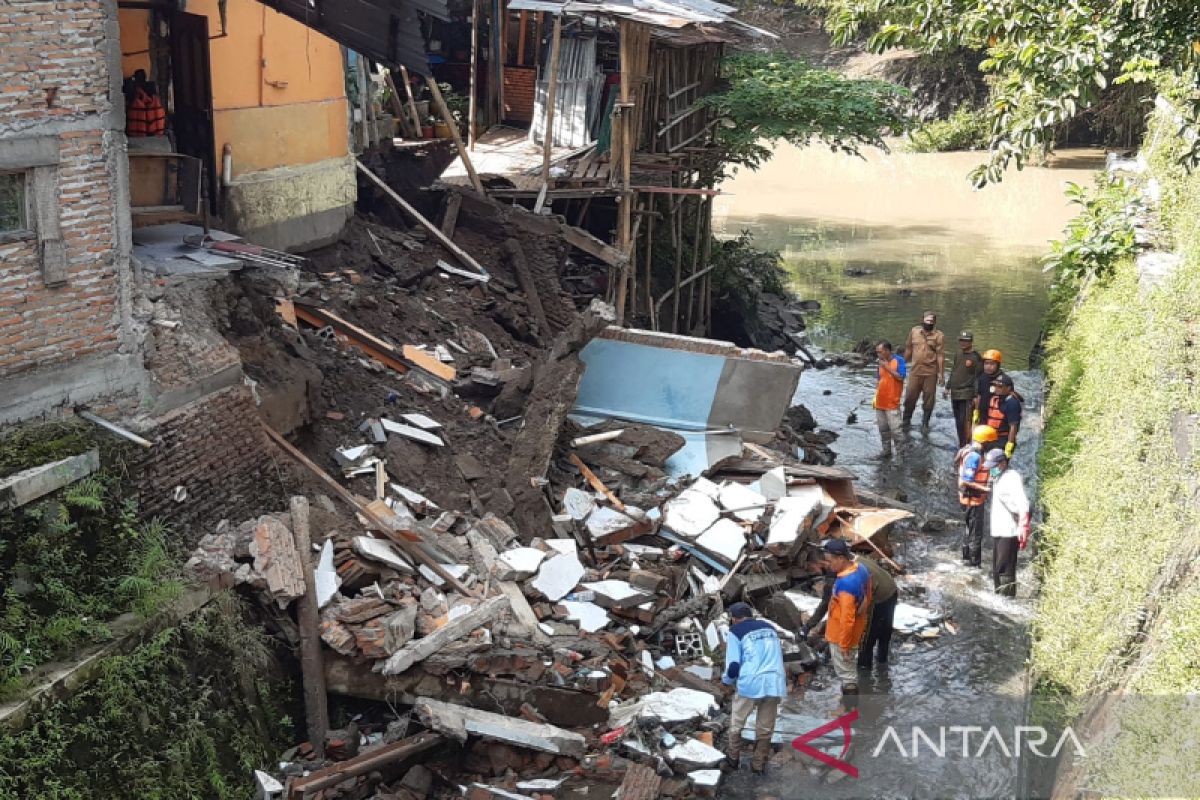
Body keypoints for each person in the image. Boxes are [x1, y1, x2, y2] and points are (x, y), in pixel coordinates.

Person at [723, 601, 787, 772]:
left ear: (734, 619)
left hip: (751, 683)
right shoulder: (770, 628)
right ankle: (758, 765)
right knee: (765, 728)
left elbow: (734, 666)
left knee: (737, 722)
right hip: (775, 682)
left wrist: (726, 681)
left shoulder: (735, 632)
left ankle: (733, 758)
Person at [822, 540, 872, 694]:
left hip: (841, 637)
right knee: (849, 672)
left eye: (830, 561)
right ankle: (850, 709)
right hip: (856, 630)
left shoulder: (846, 586)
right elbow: (869, 593)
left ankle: (849, 710)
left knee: (847, 676)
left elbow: (846, 620)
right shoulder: (860, 568)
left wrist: (844, 646)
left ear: (841, 559)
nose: (828, 565)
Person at [986, 449, 1031, 596]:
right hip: (999, 529)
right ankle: (998, 597)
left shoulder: (1012, 478)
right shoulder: (998, 477)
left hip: (1009, 531)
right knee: (997, 568)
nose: (991, 469)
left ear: (1003, 463)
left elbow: (1023, 503)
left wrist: (1024, 526)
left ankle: (1007, 600)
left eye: (994, 465)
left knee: (1005, 569)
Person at [957, 425, 996, 567]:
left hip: (968, 498)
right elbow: (967, 480)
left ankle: (966, 558)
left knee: (968, 529)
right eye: (991, 443)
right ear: (985, 442)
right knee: (975, 533)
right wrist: (986, 489)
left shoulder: (971, 451)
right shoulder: (974, 457)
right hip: (972, 500)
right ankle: (974, 564)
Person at [902, 311, 945, 429]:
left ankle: (925, 423)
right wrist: (901, 364)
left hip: (930, 372)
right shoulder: (914, 331)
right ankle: (906, 420)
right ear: (922, 320)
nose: (929, 323)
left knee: (929, 399)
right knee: (910, 396)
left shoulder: (939, 335)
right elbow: (909, 349)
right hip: (915, 371)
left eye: (931, 321)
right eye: (927, 320)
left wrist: (941, 374)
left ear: (935, 322)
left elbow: (940, 355)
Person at [856, 554, 898, 668]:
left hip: (880, 596)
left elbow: (867, 600)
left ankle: (864, 669)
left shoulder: (855, 571)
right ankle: (882, 662)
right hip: (891, 589)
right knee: (885, 630)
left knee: (867, 638)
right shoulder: (858, 558)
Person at [944, 331, 983, 447]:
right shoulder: (958, 353)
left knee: (966, 421)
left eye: (965, 341)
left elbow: (978, 377)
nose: (963, 343)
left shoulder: (976, 357)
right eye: (961, 340)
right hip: (955, 393)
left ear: (971, 342)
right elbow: (954, 371)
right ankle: (961, 443)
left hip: (967, 394)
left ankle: (967, 445)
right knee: (958, 421)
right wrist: (947, 387)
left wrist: (976, 395)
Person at [873, 340, 906, 458]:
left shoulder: (899, 360)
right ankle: (886, 451)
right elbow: (879, 380)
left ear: (887, 351)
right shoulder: (880, 363)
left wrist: (887, 367)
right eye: (877, 352)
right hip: (880, 402)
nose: (878, 355)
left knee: (896, 432)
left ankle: (901, 455)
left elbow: (901, 377)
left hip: (892, 403)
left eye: (880, 352)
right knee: (883, 429)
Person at [984, 374, 1022, 458]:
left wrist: (1009, 445)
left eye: (1000, 387)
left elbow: (1013, 427)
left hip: (1002, 439)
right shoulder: (995, 398)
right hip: (991, 436)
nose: (997, 388)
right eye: (995, 386)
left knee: (991, 457)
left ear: (1008, 388)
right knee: (969, 450)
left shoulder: (1012, 403)